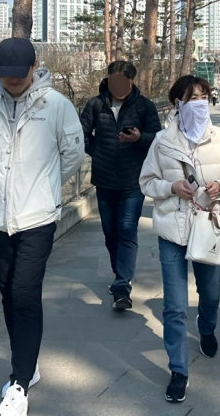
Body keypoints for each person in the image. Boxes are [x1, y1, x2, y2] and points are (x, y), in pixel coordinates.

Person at [0, 38, 85, 416]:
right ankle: (28, 362)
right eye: (6, 74)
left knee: (24, 292)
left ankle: (18, 384)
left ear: (35, 66)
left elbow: (73, 154)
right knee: (8, 294)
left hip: (37, 217)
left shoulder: (56, 105)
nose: (13, 80)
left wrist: (44, 186)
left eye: (20, 73)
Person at [139, 75, 220, 403]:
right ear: (177, 103)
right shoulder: (161, 142)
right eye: (191, 98)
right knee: (174, 305)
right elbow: (146, 181)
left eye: (203, 97)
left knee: (211, 293)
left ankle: (207, 328)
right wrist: (171, 187)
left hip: (207, 226)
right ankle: (179, 370)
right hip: (172, 229)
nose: (198, 103)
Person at [80, 60, 161, 311]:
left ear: (131, 81)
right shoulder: (95, 104)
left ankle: (122, 284)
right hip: (104, 180)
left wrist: (139, 138)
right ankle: (119, 273)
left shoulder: (144, 106)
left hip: (133, 180)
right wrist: (98, 151)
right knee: (110, 232)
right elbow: (81, 134)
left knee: (126, 229)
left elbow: (157, 139)